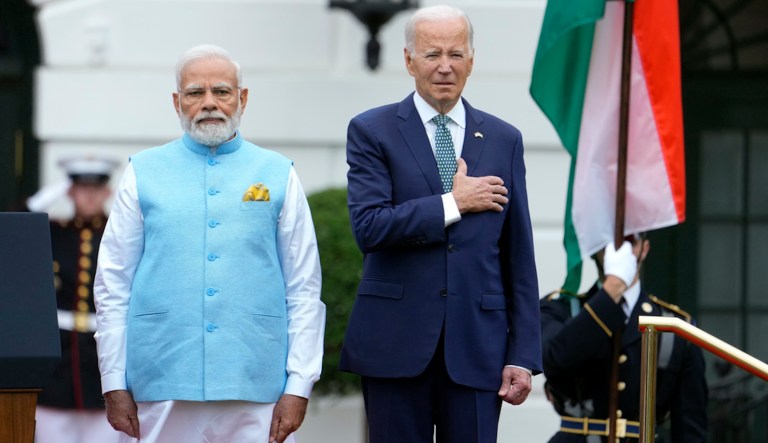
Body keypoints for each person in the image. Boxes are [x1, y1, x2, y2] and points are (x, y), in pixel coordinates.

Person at [93, 44, 326, 443]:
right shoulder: (142, 171)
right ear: (176, 102)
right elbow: (112, 284)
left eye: (221, 91)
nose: (209, 103)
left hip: (256, 378)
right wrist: (113, 380)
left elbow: (303, 288)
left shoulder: (277, 172)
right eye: (194, 93)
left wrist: (299, 383)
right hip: (160, 376)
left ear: (243, 98)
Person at [339, 5, 542, 442]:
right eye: (432, 55)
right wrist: (454, 202)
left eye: (456, 54)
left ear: (472, 59)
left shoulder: (504, 139)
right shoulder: (372, 131)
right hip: (395, 346)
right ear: (409, 60)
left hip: (478, 349)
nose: (445, 67)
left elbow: (518, 255)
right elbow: (370, 228)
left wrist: (523, 353)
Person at [540, 234, 708, 442]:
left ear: (645, 249)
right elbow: (554, 362)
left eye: (630, 240)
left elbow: (690, 431)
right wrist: (613, 289)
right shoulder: (561, 310)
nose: (619, 249)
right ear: (594, 248)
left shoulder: (676, 327)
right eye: (609, 240)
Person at [29, 156, 121, 443]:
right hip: (59, 356)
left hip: (102, 352)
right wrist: (51, 193)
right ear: (70, 192)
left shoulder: (119, 233)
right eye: (81, 187)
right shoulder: (53, 232)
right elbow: (14, 226)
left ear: (107, 192)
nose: (89, 195)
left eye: (96, 188)